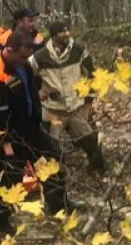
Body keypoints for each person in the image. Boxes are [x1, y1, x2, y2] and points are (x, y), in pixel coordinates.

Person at [0, 30, 71, 234]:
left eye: (27, 57)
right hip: (11, 136)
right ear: (9, 50)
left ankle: (58, 205)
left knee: (53, 160)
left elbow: (31, 90)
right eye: (22, 57)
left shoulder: (24, 65)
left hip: (31, 127)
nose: (25, 60)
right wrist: (6, 146)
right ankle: (0, 221)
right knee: (9, 178)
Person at [31, 21, 106, 174]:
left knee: (89, 139)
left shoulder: (79, 50)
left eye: (67, 30)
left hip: (74, 107)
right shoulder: (39, 56)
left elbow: (91, 74)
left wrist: (89, 101)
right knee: (51, 146)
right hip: (52, 110)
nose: (67, 34)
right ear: (53, 35)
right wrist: (37, 92)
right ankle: (54, 176)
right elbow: (27, 75)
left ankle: (99, 167)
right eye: (62, 32)